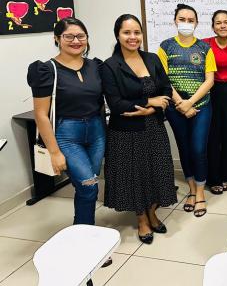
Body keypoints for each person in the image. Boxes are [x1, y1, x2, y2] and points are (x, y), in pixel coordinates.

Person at [101, 14, 177, 244]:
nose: (133, 37)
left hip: (153, 127)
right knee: (135, 177)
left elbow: (165, 90)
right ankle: (142, 219)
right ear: (118, 35)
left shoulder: (152, 59)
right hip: (126, 133)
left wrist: (152, 109)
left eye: (137, 32)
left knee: (157, 171)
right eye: (127, 32)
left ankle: (152, 212)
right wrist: (148, 103)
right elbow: (115, 103)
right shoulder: (110, 66)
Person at [27, 17, 105, 226]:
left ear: (87, 39)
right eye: (68, 36)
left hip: (97, 132)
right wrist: (54, 152)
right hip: (68, 134)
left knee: (88, 185)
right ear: (57, 38)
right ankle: (85, 238)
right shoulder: (46, 70)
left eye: (81, 36)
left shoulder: (95, 66)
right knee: (89, 187)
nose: (75, 41)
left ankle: (82, 229)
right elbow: (41, 114)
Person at [159, 4, 216, 217]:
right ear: (175, 21)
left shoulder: (204, 48)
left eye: (190, 20)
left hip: (201, 107)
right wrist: (180, 104)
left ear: (196, 23)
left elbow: (210, 80)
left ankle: (201, 192)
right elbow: (163, 79)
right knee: (183, 148)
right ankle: (191, 190)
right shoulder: (165, 47)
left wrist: (190, 102)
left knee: (198, 149)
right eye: (182, 19)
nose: (186, 23)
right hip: (175, 108)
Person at [204, 10, 227, 194]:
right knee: (212, 136)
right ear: (213, 26)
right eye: (218, 23)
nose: (222, 25)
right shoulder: (205, 44)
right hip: (210, 90)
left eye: (226, 22)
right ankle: (213, 178)